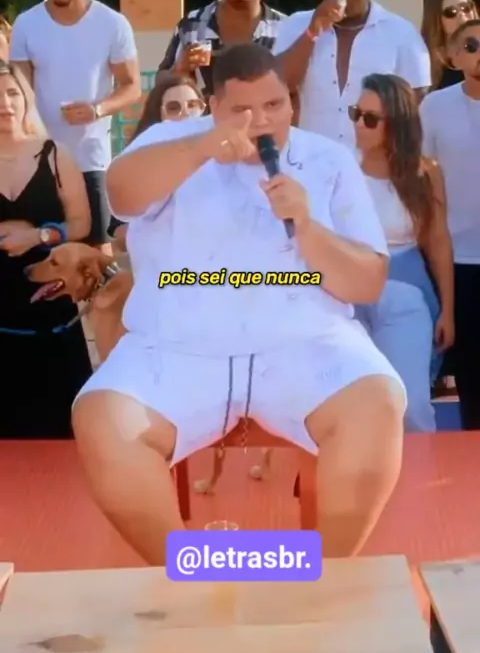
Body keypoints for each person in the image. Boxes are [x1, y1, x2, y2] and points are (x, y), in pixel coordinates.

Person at [72, 43, 406, 564]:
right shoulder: (171, 139)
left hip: (305, 343)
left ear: (291, 100)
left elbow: (367, 283)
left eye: (274, 105)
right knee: (103, 421)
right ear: (213, 107)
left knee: (378, 405)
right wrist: (202, 148)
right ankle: (190, 570)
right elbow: (121, 194)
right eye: (242, 110)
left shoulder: (329, 159)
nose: (261, 121)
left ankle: (324, 576)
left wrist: (307, 227)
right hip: (177, 347)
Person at [8, 0, 141, 250]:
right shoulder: (27, 25)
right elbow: (20, 90)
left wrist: (97, 110)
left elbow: (131, 86)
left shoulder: (112, 23)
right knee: (41, 253)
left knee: (98, 253)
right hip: (41, 159)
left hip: (90, 157)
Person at [352, 73, 454, 432]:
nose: (358, 125)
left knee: (411, 405)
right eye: (355, 114)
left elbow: (437, 240)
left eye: (370, 119)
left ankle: (422, 470)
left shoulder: (425, 173)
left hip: (406, 293)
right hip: (347, 296)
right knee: (355, 407)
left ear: (395, 125)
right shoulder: (338, 167)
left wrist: (448, 310)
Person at [0, 61, 92, 438]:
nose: (5, 103)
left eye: (12, 93)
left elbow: (82, 224)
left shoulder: (55, 154)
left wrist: (38, 236)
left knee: (65, 435)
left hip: (51, 308)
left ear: (26, 99)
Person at [273, 0, 431, 149]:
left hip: (373, 159)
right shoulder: (297, 24)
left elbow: (417, 96)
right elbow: (277, 84)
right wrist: (312, 31)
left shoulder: (400, 32)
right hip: (311, 155)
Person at [420, 19, 480, 429]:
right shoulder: (434, 108)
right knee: (470, 379)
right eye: (471, 46)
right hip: (457, 261)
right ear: (453, 57)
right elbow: (424, 183)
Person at [156, 0, 285, 96]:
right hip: (207, 111)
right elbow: (160, 81)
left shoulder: (284, 27)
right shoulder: (193, 24)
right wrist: (179, 70)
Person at [109, 73, 206, 249]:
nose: (186, 113)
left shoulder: (223, 153)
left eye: (193, 105)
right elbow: (119, 226)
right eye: (174, 108)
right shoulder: (140, 155)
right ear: (159, 113)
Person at [422, 0, 478, 91]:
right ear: (437, 20)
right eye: (451, 12)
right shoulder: (425, 60)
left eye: (465, 8)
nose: (462, 16)